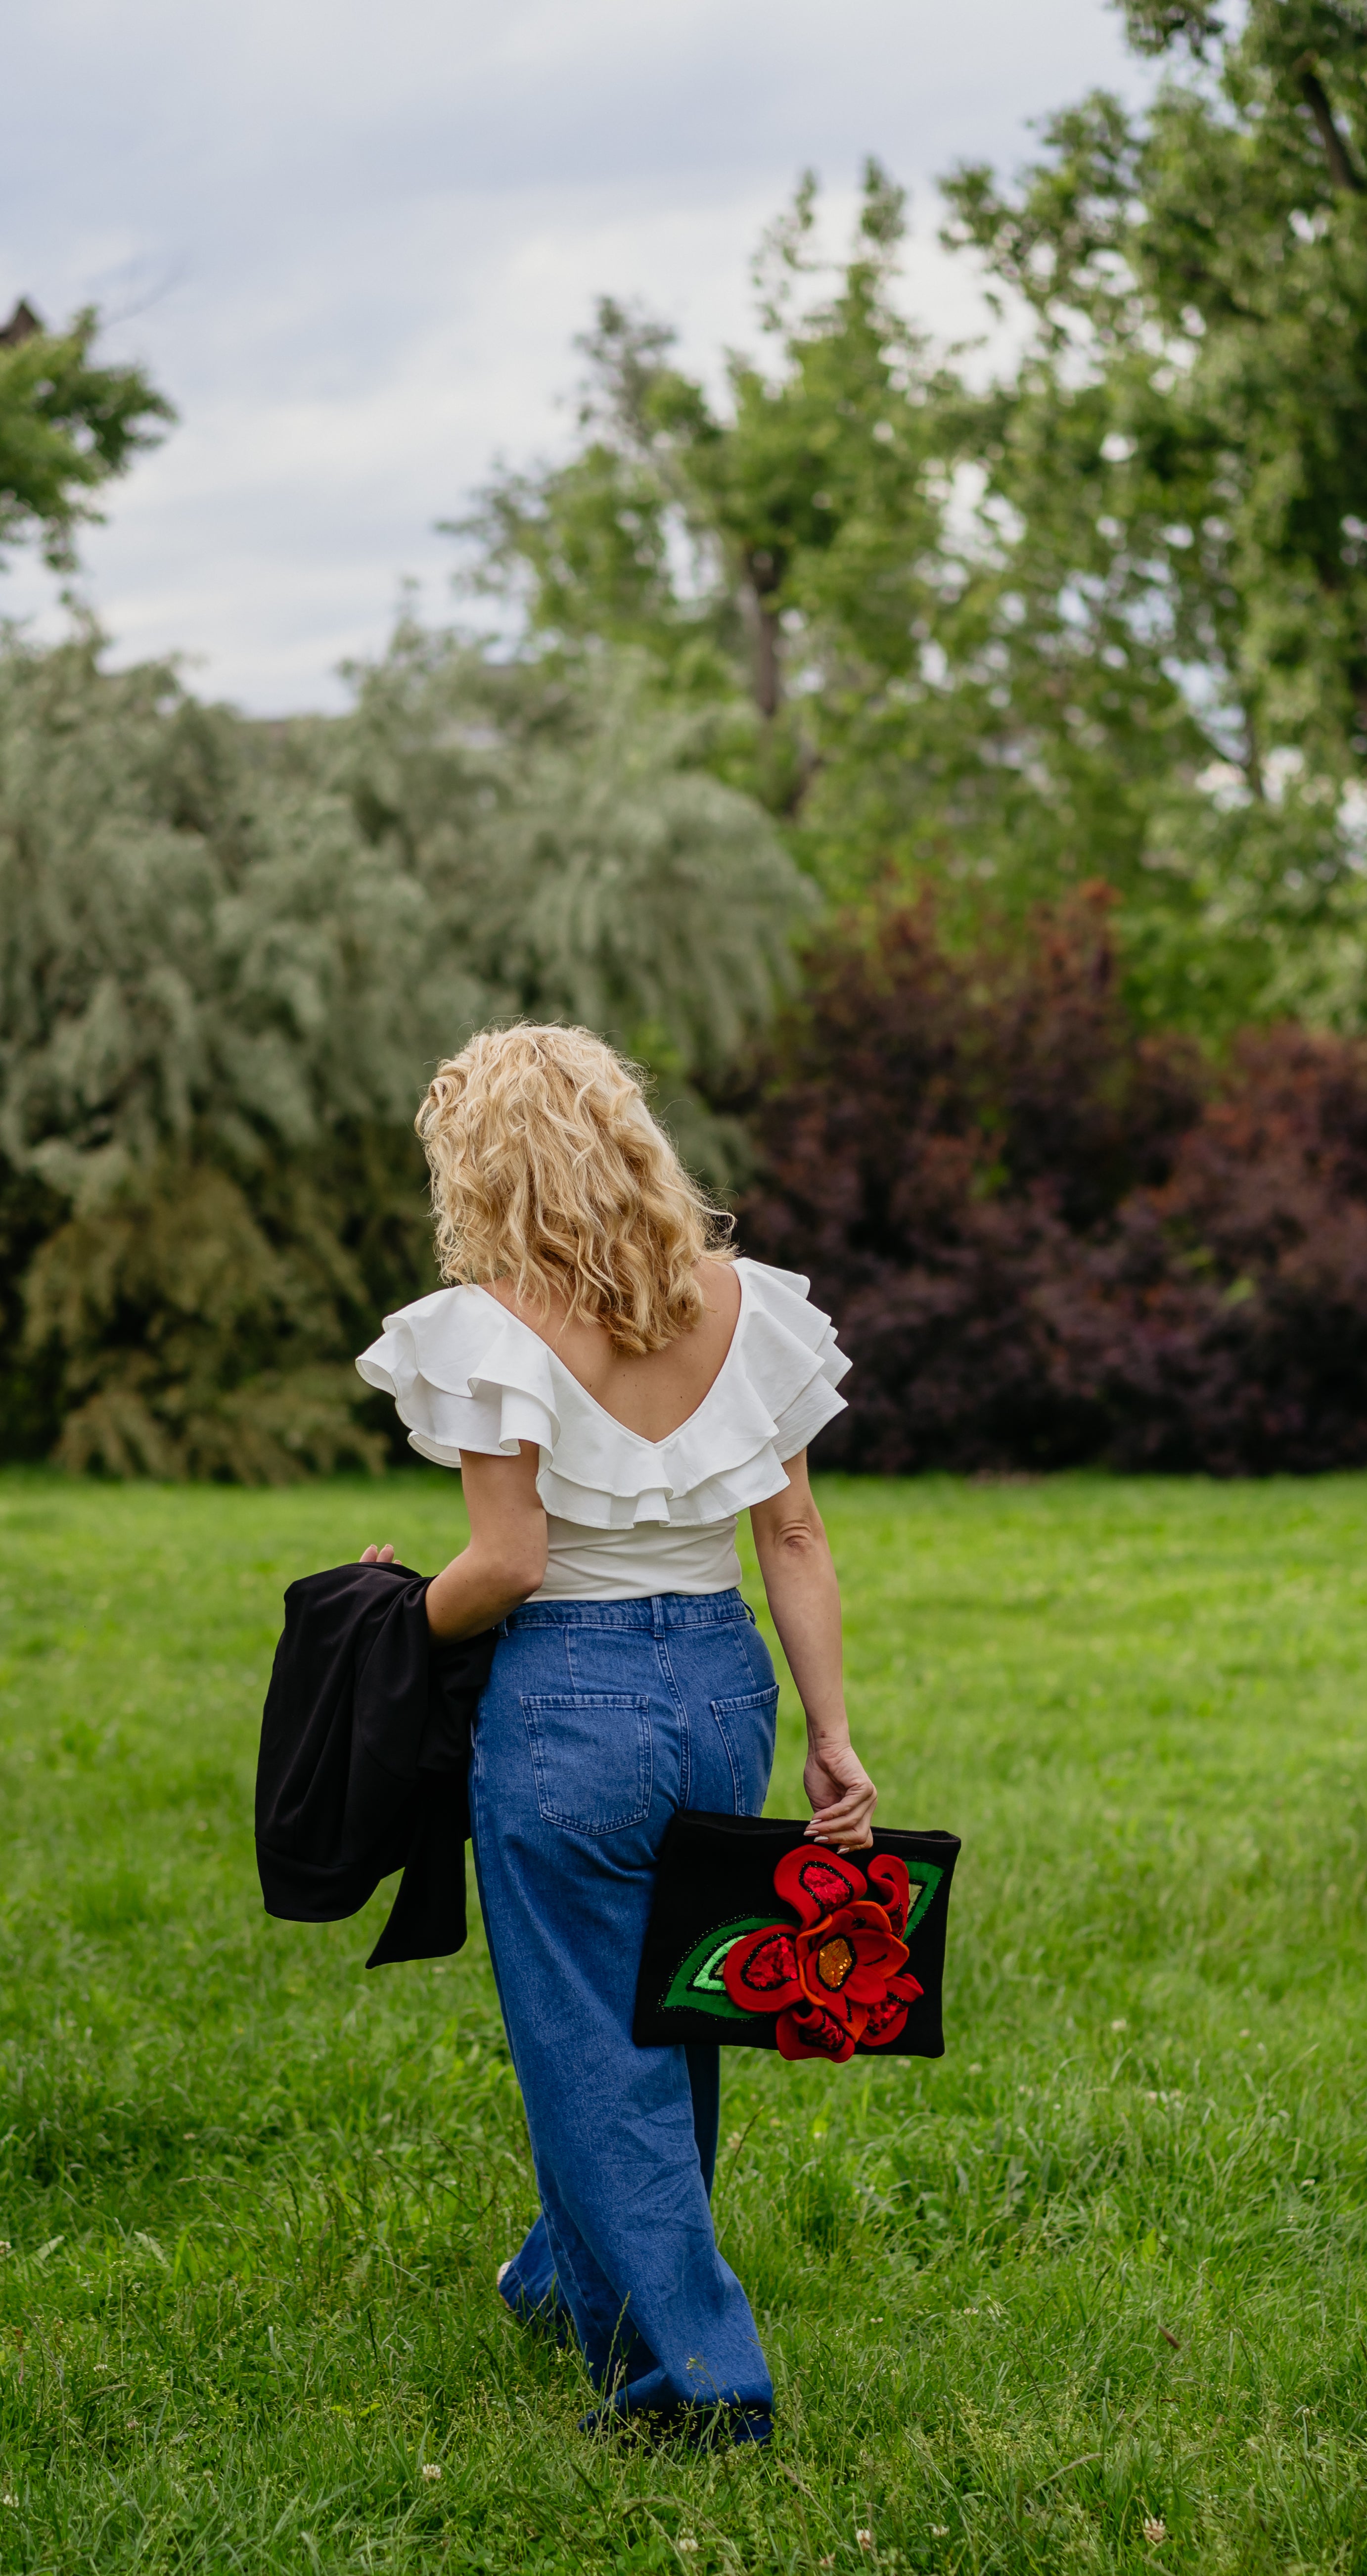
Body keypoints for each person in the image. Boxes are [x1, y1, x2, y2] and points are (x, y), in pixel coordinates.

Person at [352, 1022, 875, 2443]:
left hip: (565, 1701)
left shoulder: (489, 1327)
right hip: (722, 1689)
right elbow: (797, 1531)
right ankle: (565, 2277)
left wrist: (396, 1613)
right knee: (676, 2007)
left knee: (593, 2040)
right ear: (626, 1136)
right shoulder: (746, 1306)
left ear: (486, 1169)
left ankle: (698, 2383)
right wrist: (831, 1734)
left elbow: (508, 1563)